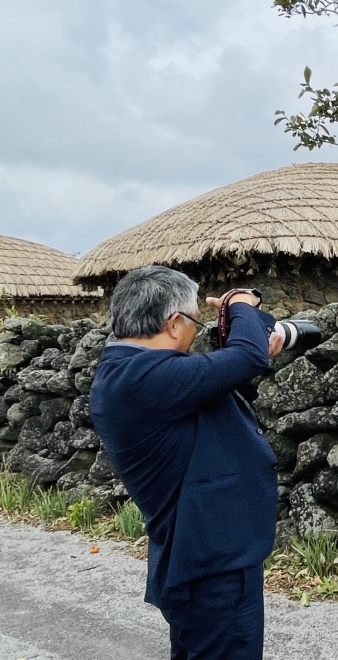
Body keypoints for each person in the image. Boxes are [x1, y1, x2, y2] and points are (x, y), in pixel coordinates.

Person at [89, 265, 284, 660]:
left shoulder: (130, 373)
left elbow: (213, 392)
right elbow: (246, 357)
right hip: (212, 565)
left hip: (203, 554)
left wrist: (245, 352)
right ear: (174, 323)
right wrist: (241, 303)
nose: (197, 332)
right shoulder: (142, 379)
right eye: (195, 321)